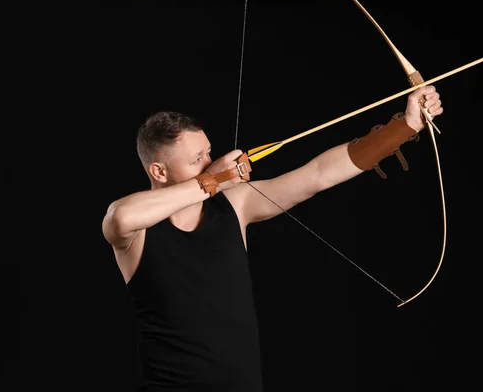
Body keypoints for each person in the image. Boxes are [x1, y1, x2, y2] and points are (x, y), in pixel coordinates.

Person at [101, 85, 443, 392]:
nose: (210, 162)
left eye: (208, 153)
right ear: (159, 172)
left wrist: (405, 126)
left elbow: (317, 175)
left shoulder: (236, 204)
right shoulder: (136, 229)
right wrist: (213, 181)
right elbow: (120, 217)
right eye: (196, 160)